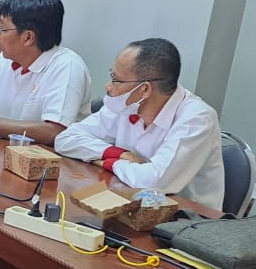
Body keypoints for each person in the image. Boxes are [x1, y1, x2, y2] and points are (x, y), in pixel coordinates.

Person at [55, 38, 225, 209]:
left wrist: (106, 162)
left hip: (183, 222)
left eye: (116, 80)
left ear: (145, 89)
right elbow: (65, 139)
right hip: (128, 206)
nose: (108, 86)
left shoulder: (197, 119)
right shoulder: (126, 105)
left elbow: (153, 182)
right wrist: (118, 154)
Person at [0, 0, 91, 146]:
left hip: (50, 162)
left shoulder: (67, 67)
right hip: (4, 152)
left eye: (2, 30)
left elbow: (54, 132)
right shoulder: (5, 60)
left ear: (28, 37)